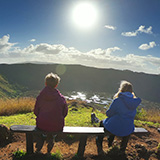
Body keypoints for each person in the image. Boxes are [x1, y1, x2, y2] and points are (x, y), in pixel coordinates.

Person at [96, 80, 141, 155]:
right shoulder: (134, 102)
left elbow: (109, 113)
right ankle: (121, 151)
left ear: (121, 89)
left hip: (116, 126)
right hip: (128, 128)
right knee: (117, 123)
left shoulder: (118, 100)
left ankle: (100, 147)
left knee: (104, 123)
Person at [34, 73, 68, 154]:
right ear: (56, 85)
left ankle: (41, 139)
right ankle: (50, 142)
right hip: (57, 126)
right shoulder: (61, 98)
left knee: (42, 129)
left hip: (42, 125)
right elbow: (65, 113)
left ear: (45, 83)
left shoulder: (40, 97)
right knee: (52, 131)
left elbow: (36, 112)